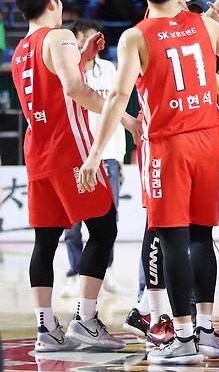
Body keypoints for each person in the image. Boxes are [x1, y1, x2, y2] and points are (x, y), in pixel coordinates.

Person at [79, 0, 219, 365]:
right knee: (202, 235)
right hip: (207, 138)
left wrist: (95, 154)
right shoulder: (205, 25)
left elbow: (118, 98)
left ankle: (185, 337)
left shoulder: (135, 37)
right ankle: (206, 331)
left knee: (172, 237)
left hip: (167, 144)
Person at [11, 0, 140, 353]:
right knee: (104, 227)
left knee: (45, 239)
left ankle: (46, 329)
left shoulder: (20, 49)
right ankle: (85, 319)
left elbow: (52, 84)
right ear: (53, 2)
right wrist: (123, 117)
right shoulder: (59, 35)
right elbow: (73, 88)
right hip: (69, 150)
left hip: (38, 153)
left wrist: (81, 57)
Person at [60, 20, 126, 299]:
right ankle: (75, 273)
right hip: (76, 156)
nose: (89, 41)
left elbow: (118, 110)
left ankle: (105, 270)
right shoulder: (66, 71)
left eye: (93, 35)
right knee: (73, 223)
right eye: (83, 36)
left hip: (107, 155)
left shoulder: (109, 69)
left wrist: (119, 157)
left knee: (109, 219)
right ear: (75, 41)